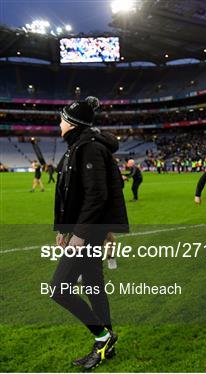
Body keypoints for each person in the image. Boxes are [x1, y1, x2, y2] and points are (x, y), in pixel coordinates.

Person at [51, 96, 129, 370]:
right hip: (86, 229)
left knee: (58, 289)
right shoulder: (77, 146)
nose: (58, 122)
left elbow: (97, 196)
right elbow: (69, 194)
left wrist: (80, 235)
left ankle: (103, 336)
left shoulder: (89, 149)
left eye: (62, 118)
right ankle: (108, 345)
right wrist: (63, 229)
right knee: (93, 286)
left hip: (88, 233)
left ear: (72, 123)